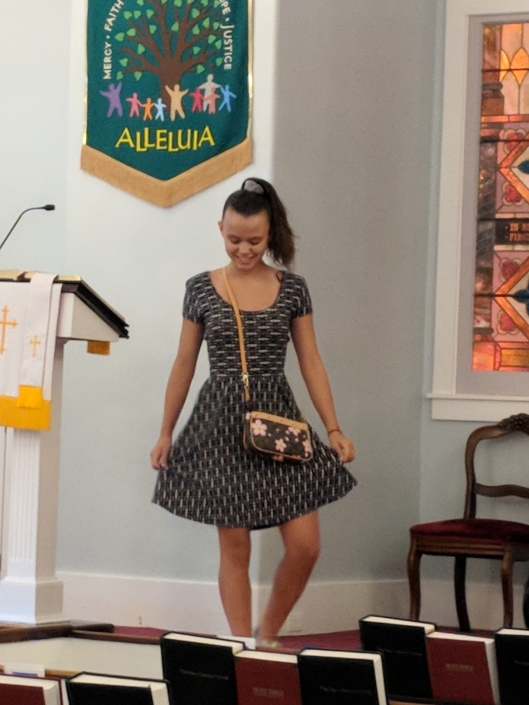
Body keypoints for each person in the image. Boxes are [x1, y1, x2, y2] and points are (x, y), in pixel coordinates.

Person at [150, 177, 356, 642]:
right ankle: (243, 646)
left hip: (279, 421)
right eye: (234, 239)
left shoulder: (293, 288)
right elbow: (184, 362)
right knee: (235, 547)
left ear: (271, 234)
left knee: (305, 546)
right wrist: (165, 431)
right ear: (220, 229)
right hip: (221, 423)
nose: (244, 250)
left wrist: (333, 428)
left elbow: (310, 361)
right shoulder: (200, 289)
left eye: (255, 241)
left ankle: (267, 635)